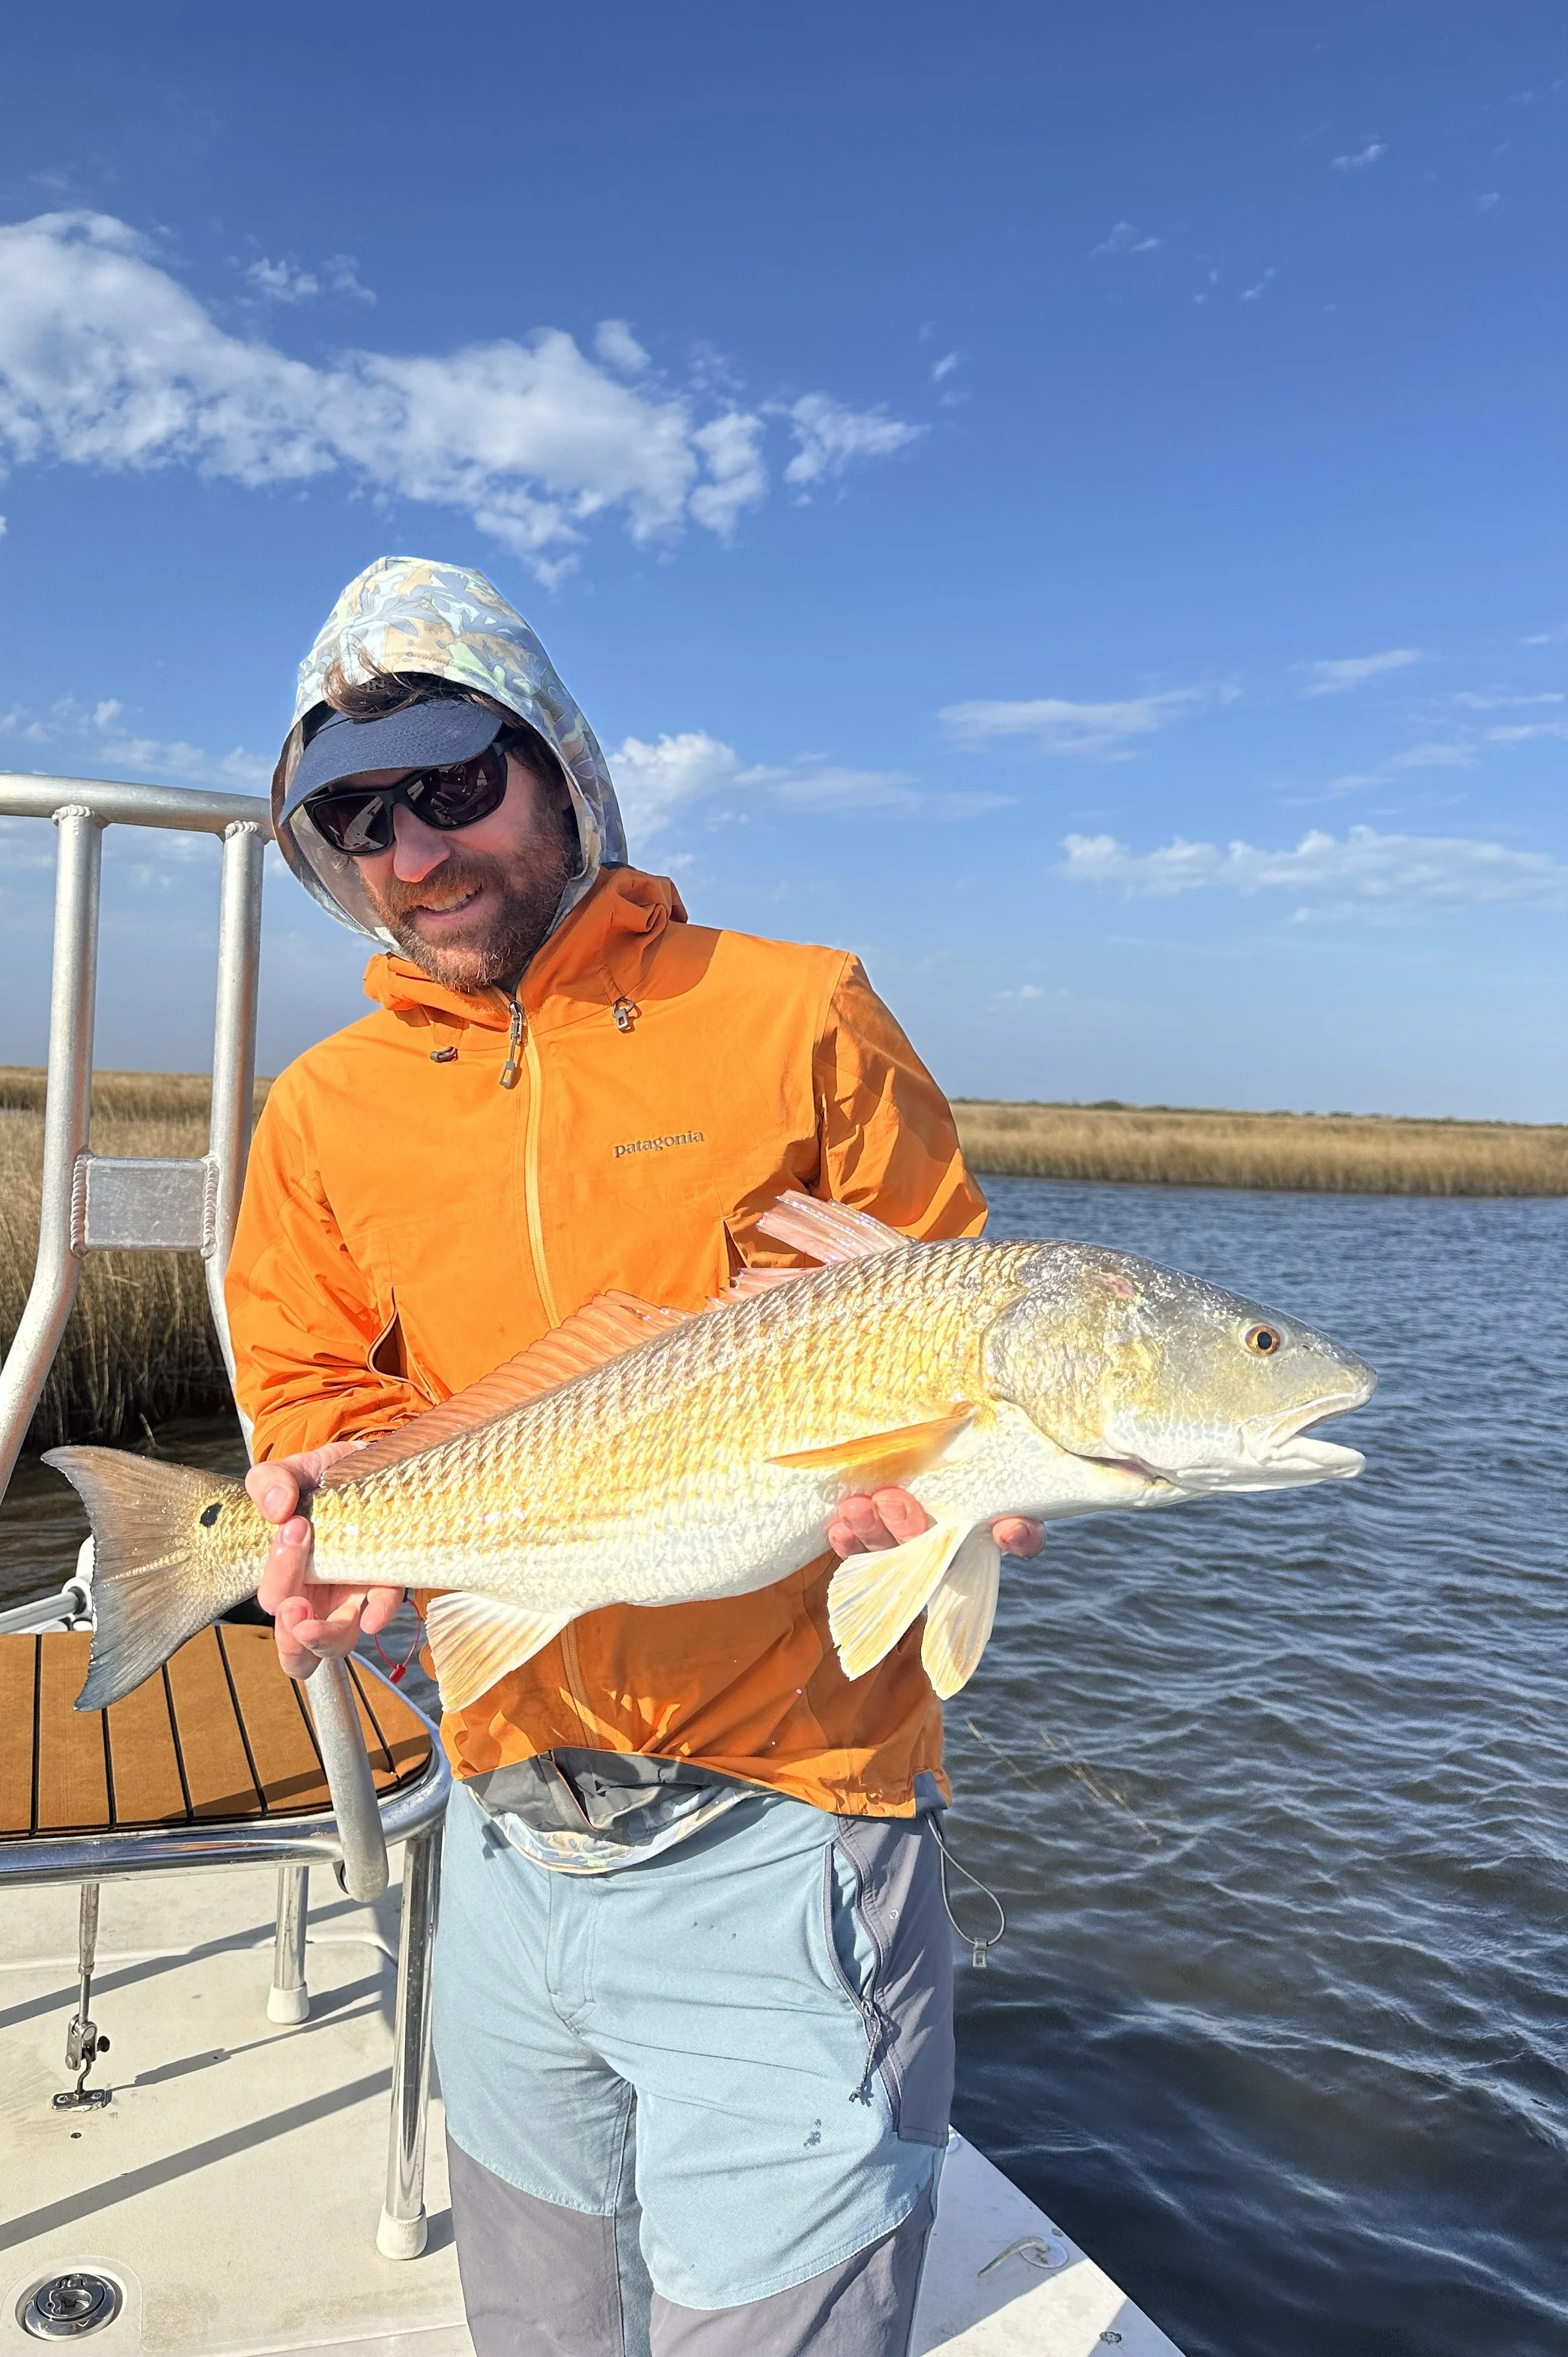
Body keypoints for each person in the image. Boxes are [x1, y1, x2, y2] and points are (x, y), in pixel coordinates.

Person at [228, 556, 1045, 2357]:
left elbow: (943, 1321)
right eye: (359, 814)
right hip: (503, 1839)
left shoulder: (794, 1011)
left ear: (564, 768)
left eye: (456, 781)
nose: (416, 852)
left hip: (785, 1841)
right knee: (538, 2327)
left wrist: (957, 1483)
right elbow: (311, 1393)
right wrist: (341, 1524)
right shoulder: (323, 1114)